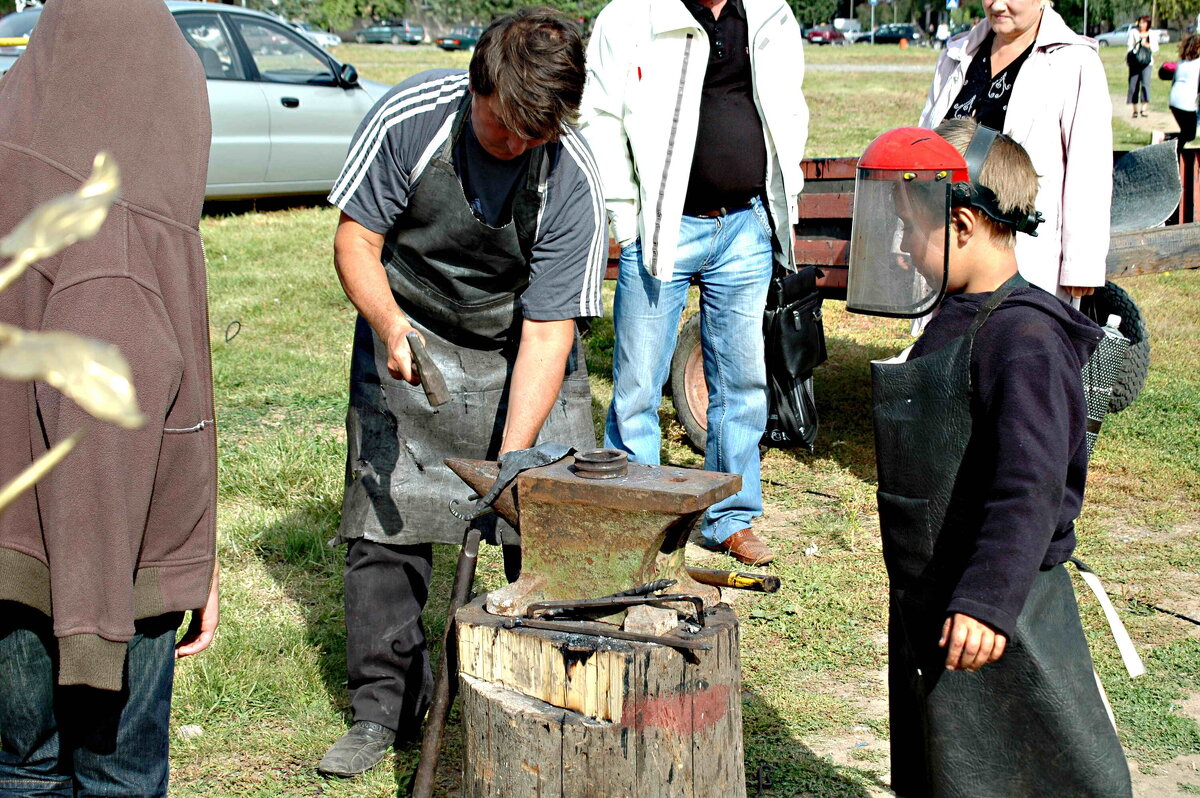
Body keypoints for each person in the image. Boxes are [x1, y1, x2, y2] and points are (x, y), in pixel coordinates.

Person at [320, 8, 606, 778]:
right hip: (408, 327)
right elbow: (356, 241)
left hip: (522, 343)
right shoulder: (410, 121)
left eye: (531, 137)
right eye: (502, 129)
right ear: (473, 87)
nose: (514, 147)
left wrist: (513, 460)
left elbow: (549, 331)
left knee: (543, 521)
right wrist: (388, 326)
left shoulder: (572, 174)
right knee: (386, 524)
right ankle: (384, 707)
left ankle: (547, 696)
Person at [846, 119, 1132, 797]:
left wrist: (986, 603)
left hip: (1001, 606)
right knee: (950, 770)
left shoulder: (1026, 338)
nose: (904, 246)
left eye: (912, 227)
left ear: (966, 225)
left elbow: (1029, 487)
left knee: (1038, 774)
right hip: (937, 596)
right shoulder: (959, 313)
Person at [0, 1, 219, 795]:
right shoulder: (126, 237)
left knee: (18, 768)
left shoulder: (13, 136)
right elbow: (107, 430)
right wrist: (182, 568)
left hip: (8, 552)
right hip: (119, 567)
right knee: (115, 773)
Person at [580, 0, 808, 566]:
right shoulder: (630, 16)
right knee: (637, 384)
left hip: (744, 225)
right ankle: (637, 515)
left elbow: (789, 107)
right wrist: (626, 218)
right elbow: (599, 115)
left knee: (742, 383)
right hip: (662, 226)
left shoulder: (769, 14)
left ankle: (729, 515)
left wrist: (780, 200)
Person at [920, 0, 1111, 306]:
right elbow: (927, 141)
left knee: (1016, 333)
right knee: (949, 335)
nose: (996, 5)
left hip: (1022, 246)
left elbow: (1089, 170)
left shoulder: (1076, 62)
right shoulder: (957, 53)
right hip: (953, 237)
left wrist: (1082, 264)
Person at [1169, 34, 1200, 153]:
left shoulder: (1181, 62)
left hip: (1174, 100)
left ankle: (1171, 147)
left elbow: (1174, 81)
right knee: (1189, 135)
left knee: (1185, 132)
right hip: (1186, 103)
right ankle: (1167, 143)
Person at [1127, 16, 1158, 118]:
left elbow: (1156, 47)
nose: (1141, 25)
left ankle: (1144, 109)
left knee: (1145, 84)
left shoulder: (1152, 33)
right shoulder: (1133, 32)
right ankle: (1135, 110)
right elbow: (1129, 45)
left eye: (1144, 23)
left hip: (1147, 63)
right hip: (1135, 62)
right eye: (1140, 22)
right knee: (1133, 85)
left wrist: (1147, 45)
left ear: (1148, 24)